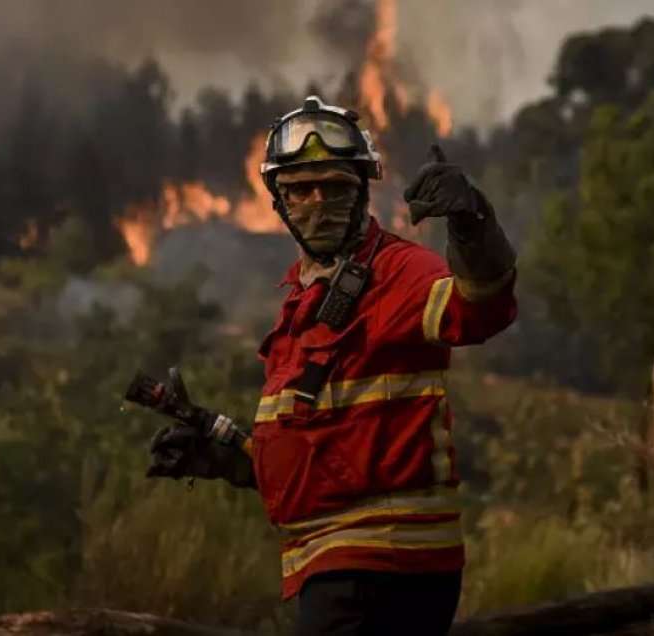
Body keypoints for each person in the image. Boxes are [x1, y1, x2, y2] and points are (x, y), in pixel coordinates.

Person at [146, 96, 517, 635]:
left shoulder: (399, 271)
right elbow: (323, 452)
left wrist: (471, 223)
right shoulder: (299, 300)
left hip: (382, 563)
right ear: (278, 201)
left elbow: (481, 309)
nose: (318, 201)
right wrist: (225, 458)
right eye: (299, 189)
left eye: (336, 187)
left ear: (362, 189)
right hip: (336, 561)